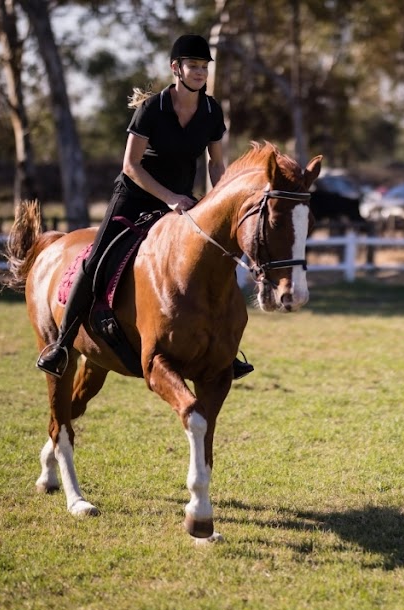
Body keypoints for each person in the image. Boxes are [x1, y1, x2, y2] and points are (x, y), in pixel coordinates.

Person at [36, 34, 254, 381]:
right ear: (176, 68)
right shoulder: (152, 109)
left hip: (182, 202)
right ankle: (62, 343)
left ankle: (223, 348)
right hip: (135, 197)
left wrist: (220, 198)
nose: (200, 72)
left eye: (204, 67)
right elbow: (130, 165)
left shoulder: (212, 111)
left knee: (214, 259)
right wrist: (168, 197)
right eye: (193, 66)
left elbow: (215, 164)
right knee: (95, 261)